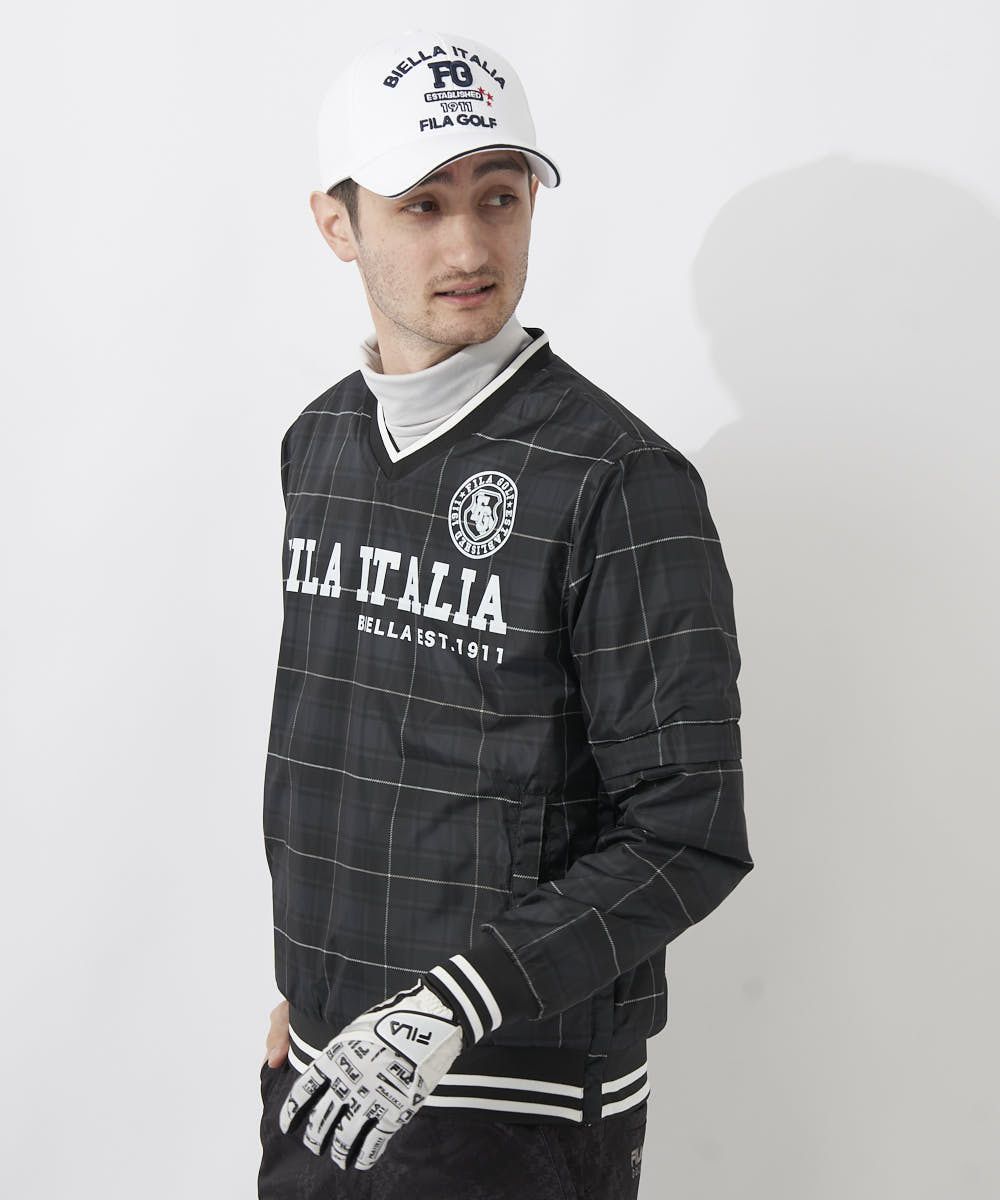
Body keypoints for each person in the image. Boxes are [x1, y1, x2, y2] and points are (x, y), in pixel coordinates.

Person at [257, 26, 754, 1200]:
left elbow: (687, 828)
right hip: (326, 1069)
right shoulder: (318, 442)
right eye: (422, 205)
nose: (471, 245)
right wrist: (316, 993)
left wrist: (447, 1006)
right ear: (337, 224)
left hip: (514, 1093)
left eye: (499, 194)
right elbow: (340, 750)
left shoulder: (616, 479)